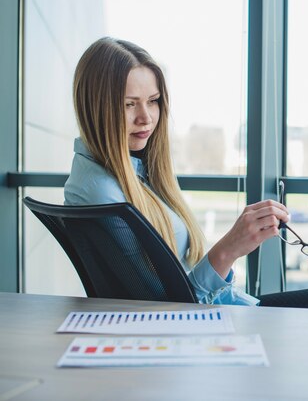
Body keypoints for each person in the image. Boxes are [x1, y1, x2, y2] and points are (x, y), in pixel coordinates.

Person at [64, 37, 290, 306]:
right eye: (129, 104)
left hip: (219, 307)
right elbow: (170, 308)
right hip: (204, 320)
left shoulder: (132, 174)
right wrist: (229, 249)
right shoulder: (101, 192)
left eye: (153, 101)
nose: (145, 117)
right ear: (95, 108)